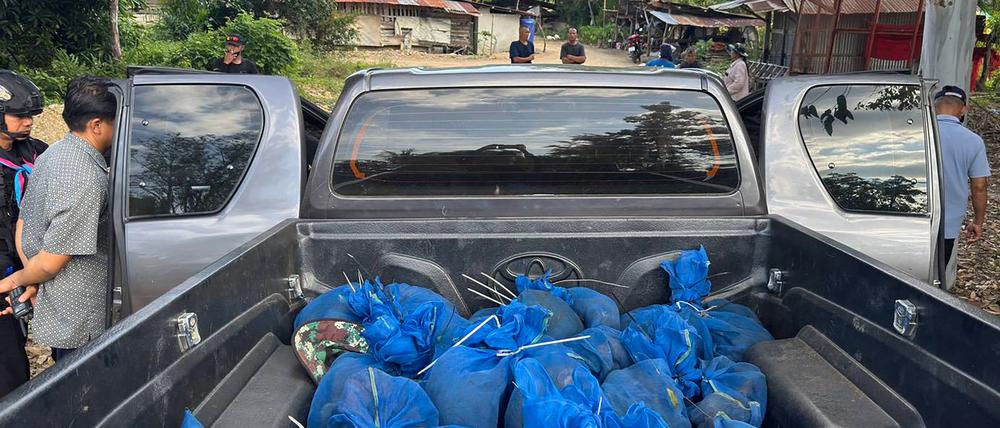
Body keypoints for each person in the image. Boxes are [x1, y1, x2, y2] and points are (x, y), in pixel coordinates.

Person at [0, 76, 117, 363]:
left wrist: (32, 275)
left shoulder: (50, 153)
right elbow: (52, 261)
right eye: (117, 121)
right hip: (78, 319)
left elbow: (23, 222)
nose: (27, 122)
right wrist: (18, 279)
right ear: (97, 125)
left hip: (57, 300)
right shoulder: (83, 175)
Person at [0, 70, 47, 398]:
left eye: (31, 115)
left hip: (31, 266)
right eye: (20, 115)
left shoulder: (36, 152)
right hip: (5, 273)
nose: (28, 121)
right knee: (9, 364)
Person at [935, 85, 990, 264]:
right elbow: (979, 187)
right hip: (947, 223)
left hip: (910, 219)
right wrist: (978, 222)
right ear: (964, 109)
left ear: (935, 106)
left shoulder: (916, 134)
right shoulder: (974, 141)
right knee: (935, 277)